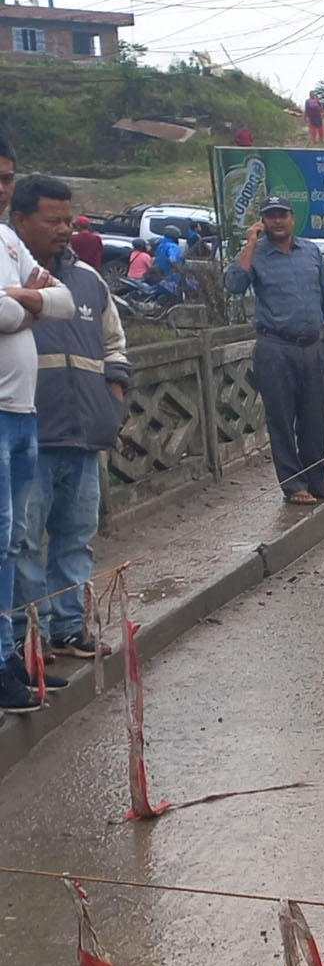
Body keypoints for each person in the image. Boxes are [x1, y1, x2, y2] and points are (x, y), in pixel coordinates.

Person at [16, 175, 125, 665]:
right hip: (28, 434)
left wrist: (114, 398)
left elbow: (114, 344)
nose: (64, 228)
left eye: (67, 219)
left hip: (83, 434)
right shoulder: (10, 280)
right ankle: (24, 633)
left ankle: (68, 626)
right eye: (51, 219)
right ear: (19, 220)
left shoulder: (87, 281)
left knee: (75, 538)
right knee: (22, 540)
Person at [2, 167, 80, 713]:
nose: (1, 188)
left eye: (6, 177)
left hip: (24, 412)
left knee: (13, 543)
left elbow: (65, 304)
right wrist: (27, 301)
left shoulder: (6, 242)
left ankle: (11, 659)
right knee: (5, 541)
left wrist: (22, 300)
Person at [225, 195, 324, 504]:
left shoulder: (310, 253)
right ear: (262, 222)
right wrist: (250, 243)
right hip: (275, 346)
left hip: (312, 345)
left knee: (316, 417)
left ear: (292, 218)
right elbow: (235, 284)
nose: (277, 221)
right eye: (270, 216)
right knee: (281, 418)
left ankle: (319, 481)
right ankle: (295, 487)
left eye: (282, 215)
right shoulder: (256, 254)